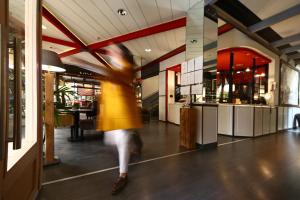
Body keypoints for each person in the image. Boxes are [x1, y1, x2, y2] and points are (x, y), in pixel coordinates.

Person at [96, 43, 143, 195]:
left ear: (122, 54)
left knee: (122, 143)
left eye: (114, 50)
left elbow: (117, 76)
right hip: (113, 115)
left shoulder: (127, 68)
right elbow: (104, 94)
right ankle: (134, 138)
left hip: (123, 114)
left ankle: (123, 174)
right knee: (112, 141)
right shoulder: (113, 69)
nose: (110, 52)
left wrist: (84, 64)